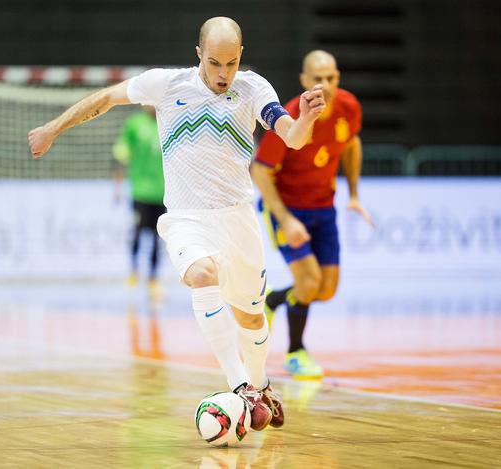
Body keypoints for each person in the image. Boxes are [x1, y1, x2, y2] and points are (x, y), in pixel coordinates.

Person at [28, 17, 326, 431]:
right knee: (201, 275)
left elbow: (292, 136)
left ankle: (260, 384)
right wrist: (53, 128)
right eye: (216, 63)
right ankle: (239, 385)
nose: (224, 74)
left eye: (232, 63)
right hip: (187, 217)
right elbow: (106, 98)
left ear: (242, 56)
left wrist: (307, 117)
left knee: (252, 318)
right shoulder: (166, 85)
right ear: (199, 53)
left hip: (238, 218)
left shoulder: (254, 88)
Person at [251, 50, 375, 379]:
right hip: (286, 209)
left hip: (323, 206)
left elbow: (350, 144)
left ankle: (274, 300)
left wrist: (355, 194)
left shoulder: (349, 107)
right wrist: (286, 219)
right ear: (305, 81)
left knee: (326, 289)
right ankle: (296, 353)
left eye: (332, 78)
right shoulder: (292, 117)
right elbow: (260, 172)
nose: (326, 85)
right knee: (308, 281)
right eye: (318, 79)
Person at [112, 105, 166, 297]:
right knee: (137, 231)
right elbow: (121, 155)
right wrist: (117, 186)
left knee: (157, 237)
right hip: (140, 191)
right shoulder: (134, 125)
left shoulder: (167, 122)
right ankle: (133, 270)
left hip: (163, 192)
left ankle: (153, 278)